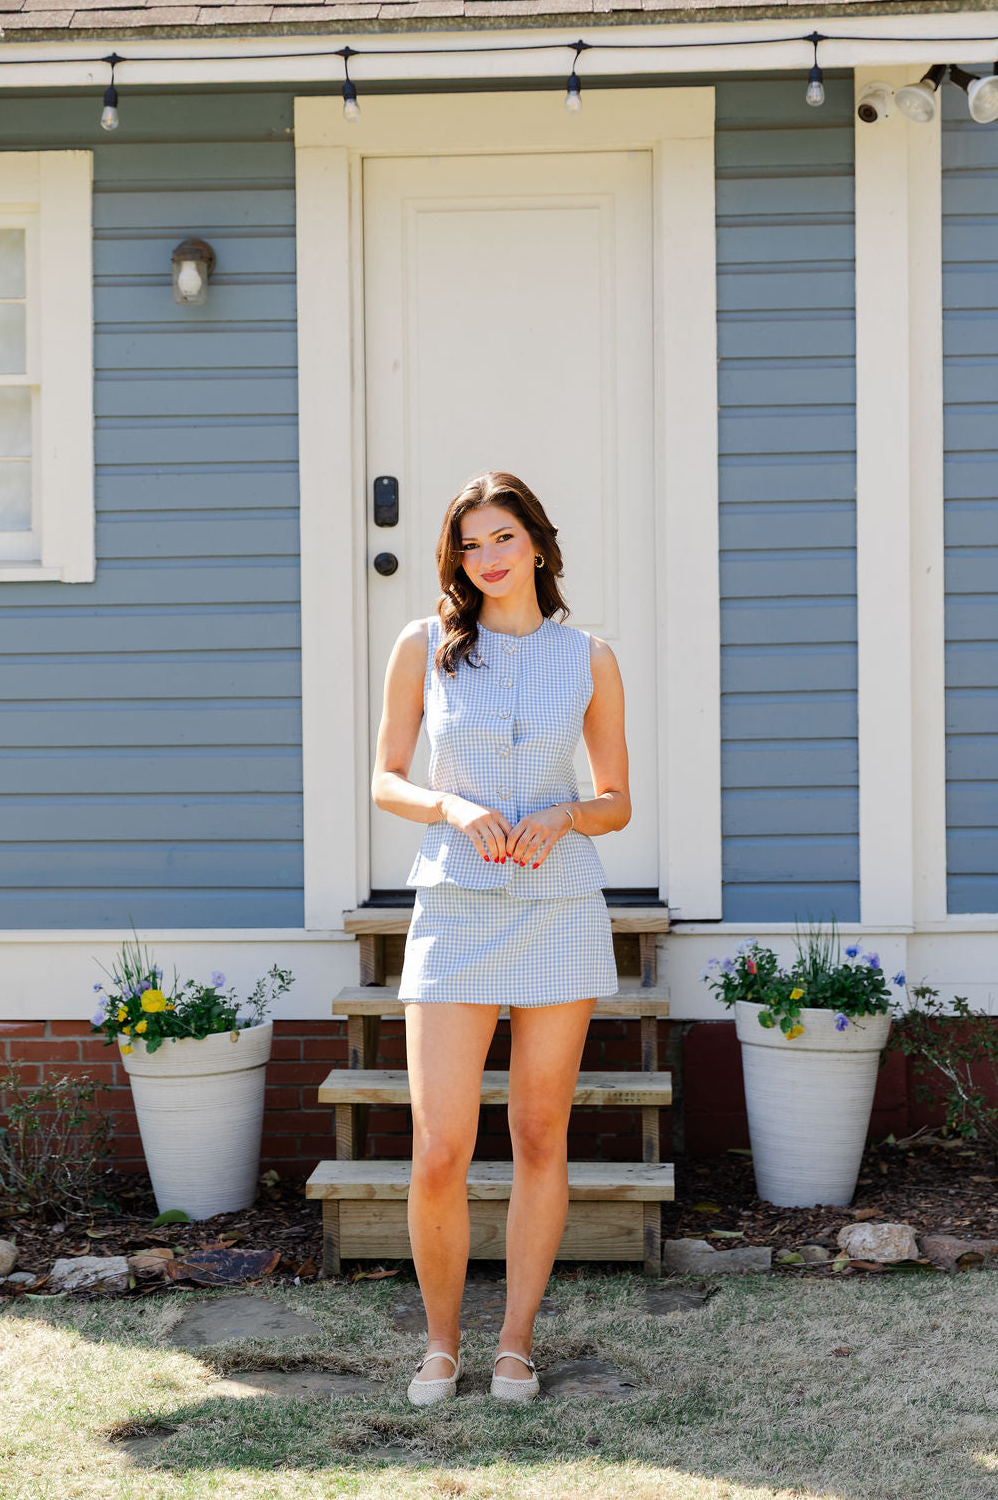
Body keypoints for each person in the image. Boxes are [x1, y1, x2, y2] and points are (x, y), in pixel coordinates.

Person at [370, 470, 631, 1406]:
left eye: (503, 539)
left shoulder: (589, 657)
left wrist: (564, 814)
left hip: (558, 906)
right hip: (454, 906)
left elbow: (617, 801)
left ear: (538, 546)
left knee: (536, 1133)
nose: (487, 558)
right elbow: (386, 780)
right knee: (440, 1144)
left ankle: (514, 1343)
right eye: (470, 544)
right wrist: (452, 804)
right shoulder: (425, 646)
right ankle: (441, 1346)